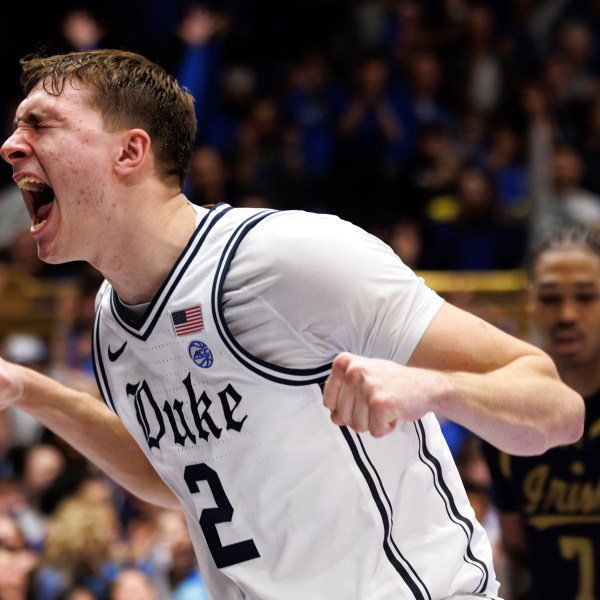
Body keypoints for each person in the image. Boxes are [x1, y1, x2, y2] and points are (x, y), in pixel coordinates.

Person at [0, 49, 584, 599]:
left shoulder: (287, 258)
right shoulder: (110, 322)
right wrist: (26, 388)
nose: (10, 146)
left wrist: (436, 388)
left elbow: (557, 408)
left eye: (40, 124)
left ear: (130, 152)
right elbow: (170, 476)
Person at [482, 224, 600, 600]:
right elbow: (517, 549)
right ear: (530, 302)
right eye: (550, 298)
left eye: (586, 297)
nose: (567, 314)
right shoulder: (505, 415)